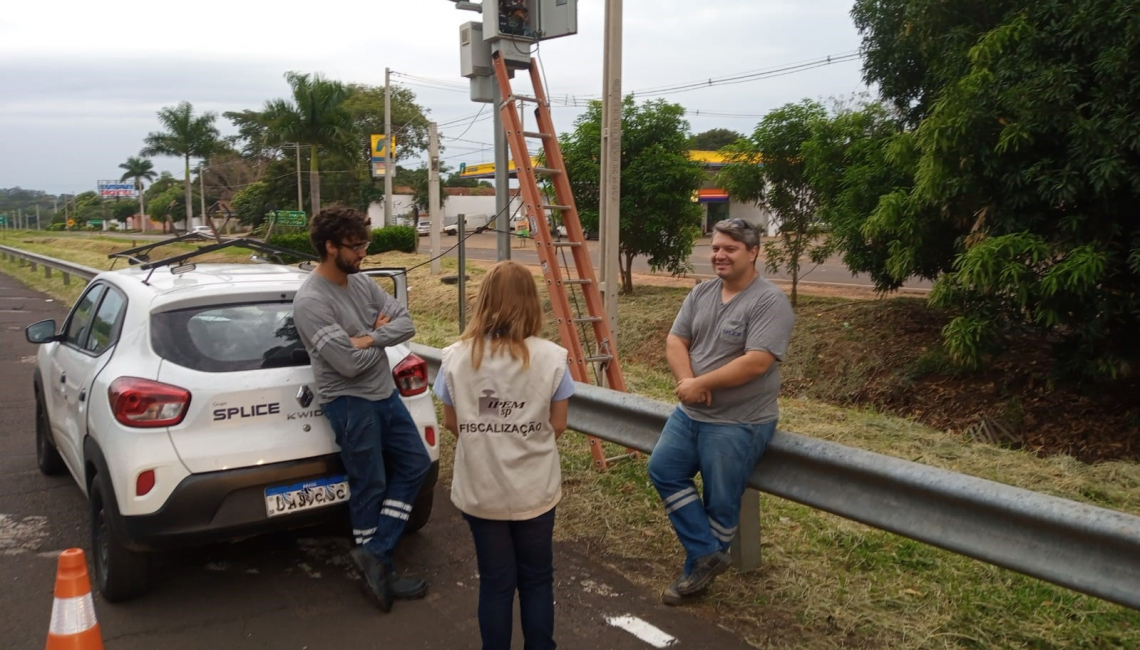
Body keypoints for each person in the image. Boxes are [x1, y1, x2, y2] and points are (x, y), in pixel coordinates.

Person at [292, 204, 432, 613]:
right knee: (369, 483)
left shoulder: (361, 283)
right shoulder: (311, 302)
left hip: (384, 395)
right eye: (355, 246)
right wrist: (380, 334)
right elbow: (346, 365)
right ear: (330, 246)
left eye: (364, 244)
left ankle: (377, 553)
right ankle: (379, 572)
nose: (363, 254)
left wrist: (368, 338)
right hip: (350, 404)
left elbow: (406, 323)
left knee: (415, 465)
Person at [648, 217, 795, 606]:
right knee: (663, 470)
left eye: (730, 248)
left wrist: (703, 384)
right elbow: (676, 340)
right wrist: (687, 383)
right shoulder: (702, 294)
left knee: (721, 500)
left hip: (739, 422)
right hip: (691, 413)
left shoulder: (769, 301)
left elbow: (757, 362)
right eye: (715, 247)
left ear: (753, 252)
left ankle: (695, 573)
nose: (719, 255)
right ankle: (708, 554)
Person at [434, 260, 574, 650]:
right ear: (532, 303)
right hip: (534, 490)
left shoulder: (454, 359)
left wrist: (489, 437)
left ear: (483, 300)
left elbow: (452, 422)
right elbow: (558, 423)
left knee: (495, 583)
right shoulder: (553, 358)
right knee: (536, 579)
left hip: (482, 489)